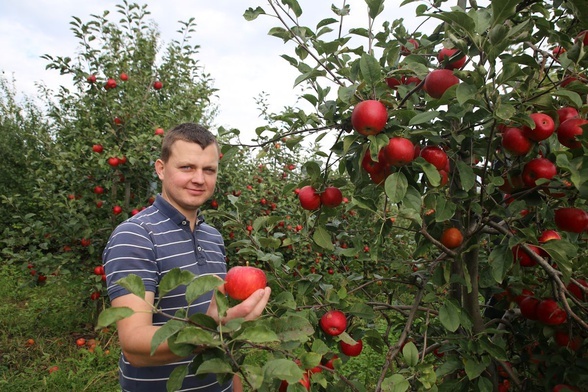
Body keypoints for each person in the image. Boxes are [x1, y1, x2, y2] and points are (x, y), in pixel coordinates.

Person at [102, 123, 271, 391]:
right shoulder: (135, 235)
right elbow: (134, 344)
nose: (199, 179)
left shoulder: (213, 237)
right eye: (187, 167)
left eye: (209, 170)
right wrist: (210, 331)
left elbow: (225, 337)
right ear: (160, 168)